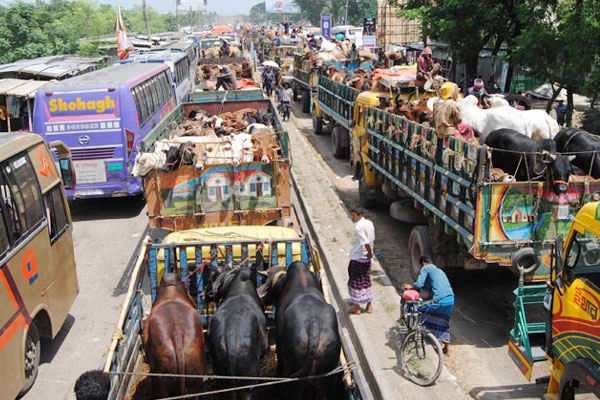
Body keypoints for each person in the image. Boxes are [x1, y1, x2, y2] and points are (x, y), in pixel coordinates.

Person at [401, 255, 454, 354]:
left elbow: (419, 284)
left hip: (440, 300)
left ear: (423, 263)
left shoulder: (426, 268)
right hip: (450, 299)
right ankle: (446, 347)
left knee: (418, 310)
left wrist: (411, 286)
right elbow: (432, 288)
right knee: (443, 320)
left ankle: (419, 335)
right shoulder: (440, 271)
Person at [347, 207, 375, 315]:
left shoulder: (358, 227)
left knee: (356, 282)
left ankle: (357, 307)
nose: (352, 218)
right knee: (366, 280)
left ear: (359, 215)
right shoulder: (369, 223)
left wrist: (370, 253)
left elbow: (365, 242)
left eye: (354, 215)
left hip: (358, 257)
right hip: (366, 260)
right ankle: (369, 306)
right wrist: (369, 254)